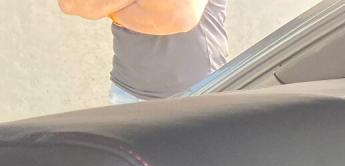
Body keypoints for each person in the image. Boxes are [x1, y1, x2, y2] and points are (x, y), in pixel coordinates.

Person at [57, 0, 228, 104]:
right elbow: (71, 3)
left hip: (196, 96)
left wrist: (109, 10)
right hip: (126, 94)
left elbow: (179, 16)